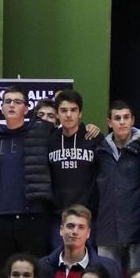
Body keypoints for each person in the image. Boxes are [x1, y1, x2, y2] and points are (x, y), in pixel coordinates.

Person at [0, 86, 59, 278]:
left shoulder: (42, 131)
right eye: (7, 101)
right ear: (1, 108)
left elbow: (70, 131)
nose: (11, 105)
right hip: (2, 217)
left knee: (37, 277)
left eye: (17, 102)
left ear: (27, 109)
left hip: (33, 216)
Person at [96, 100, 140, 270]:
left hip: (137, 229)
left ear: (132, 120)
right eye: (117, 118)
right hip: (107, 229)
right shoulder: (99, 150)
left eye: (126, 117)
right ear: (109, 123)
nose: (122, 122)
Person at [36, 206, 127, 278]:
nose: (75, 231)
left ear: (88, 233)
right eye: (70, 226)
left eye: (81, 227)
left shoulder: (108, 267)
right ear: (61, 230)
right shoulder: (43, 265)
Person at [49, 90, 101, 218]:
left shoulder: (94, 137)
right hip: (58, 217)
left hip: (87, 217)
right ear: (57, 114)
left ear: (80, 113)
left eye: (73, 110)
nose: (68, 115)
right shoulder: (50, 140)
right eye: (64, 110)